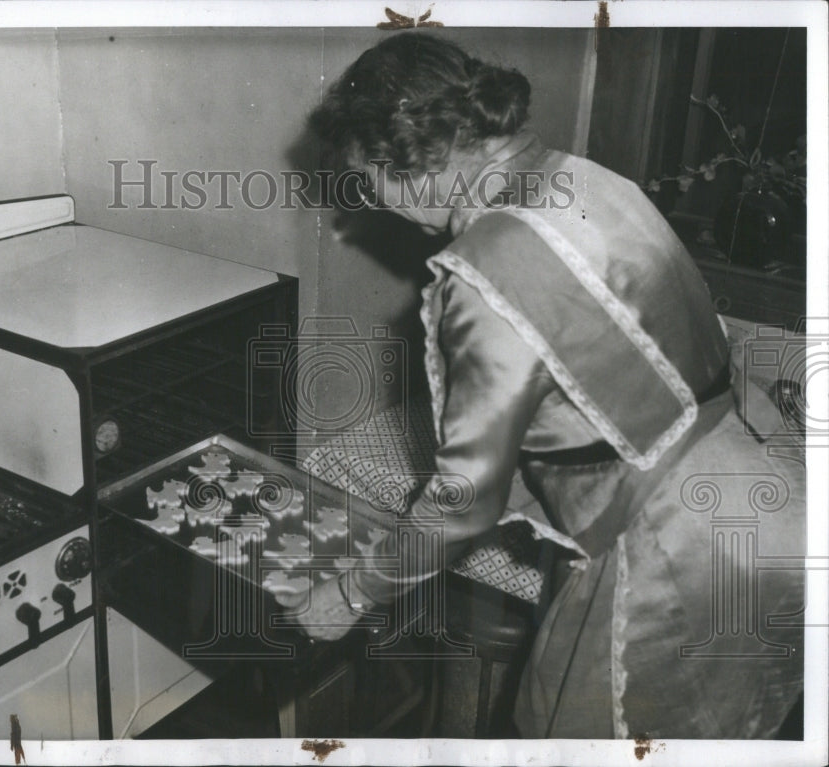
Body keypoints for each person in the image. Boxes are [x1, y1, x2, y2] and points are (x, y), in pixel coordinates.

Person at [301, 32, 805, 739]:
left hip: (681, 553)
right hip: (768, 493)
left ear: (407, 158)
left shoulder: (481, 273)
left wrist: (355, 589)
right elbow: (613, 377)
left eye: (368, 182)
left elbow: (462, 503)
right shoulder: (591, 178)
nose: (375, 205)